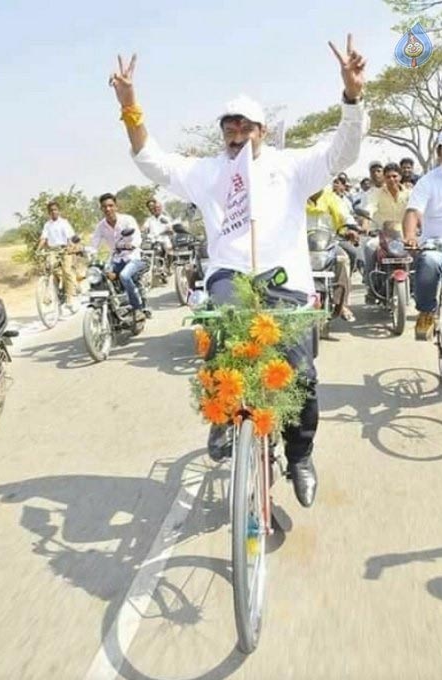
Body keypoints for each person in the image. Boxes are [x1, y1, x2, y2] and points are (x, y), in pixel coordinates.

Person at [109, 37, 366, 508]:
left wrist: (352, 98)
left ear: (262, 131)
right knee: (220, 341)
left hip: (286, 281)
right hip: (229, 275)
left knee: (302, 374)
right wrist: (131, 109)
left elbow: (342, 152)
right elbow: (153, 161)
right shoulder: (207, 171)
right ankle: (224, 417)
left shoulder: (292, 166)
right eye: (228, 125)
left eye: (244, 125)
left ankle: (301, 456)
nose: (235, 132)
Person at [403, 123, 442, 340]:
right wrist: (409, 236)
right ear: (439, 151)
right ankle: (426, 312)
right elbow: (413, 211)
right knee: (428, 262)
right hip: (439, 246)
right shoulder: (427, 181)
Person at [90, 193, 147, 321]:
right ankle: (108, 306)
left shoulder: (127, 220)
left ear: (116, 207)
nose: (108, 209)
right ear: (101, 209)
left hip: (133, 257)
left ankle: (137, 308)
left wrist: (131, 245)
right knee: (99, 275)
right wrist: (84, 251)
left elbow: (137, 237)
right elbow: (94, 243)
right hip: (115, 259)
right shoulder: (101, 226)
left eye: (110, 205)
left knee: (124, 276)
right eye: (104, 206)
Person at [362, 162, 411, 302]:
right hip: (382, 235)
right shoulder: (376, 194)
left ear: (400, 177)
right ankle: (370, 286)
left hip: (403, 236)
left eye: (395, 176)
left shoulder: (409, 194)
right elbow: (370, 207)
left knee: (419, 251)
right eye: (388, 177)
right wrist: (365, 222)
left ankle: (417, 285)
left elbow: (415, 210)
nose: (391, 180)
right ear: (384, 178)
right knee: (369, 247)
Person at [306, 187, 356, 321]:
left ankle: (342, 303)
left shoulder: (333, 198)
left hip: (329, 243)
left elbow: (346, 216)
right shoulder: (298, 197)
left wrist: (351, 229)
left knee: (344, 258)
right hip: (301, 245)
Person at [38, 201, 78, 309]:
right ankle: (49, 294)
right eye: (51, 210)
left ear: (58, 211)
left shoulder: (64, 223)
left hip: (64, 249)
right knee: (50, 269)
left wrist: (72, 247)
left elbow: (70, 237)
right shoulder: (47, 225)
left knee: (67, 271)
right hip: (52, 250)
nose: (53, 212)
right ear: (48, 213)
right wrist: (38, 250)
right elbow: (43, 238)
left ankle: (69, 297)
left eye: (55, 209)